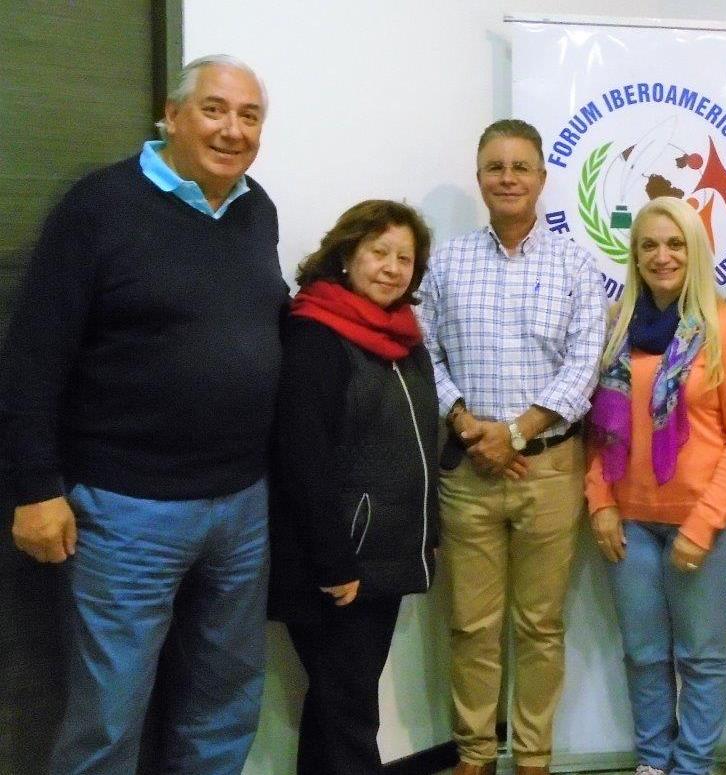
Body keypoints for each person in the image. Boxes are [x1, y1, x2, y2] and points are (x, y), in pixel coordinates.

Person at [0, 55, 284, 774]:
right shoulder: (100, 206)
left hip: (241, 507)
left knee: (226, 705)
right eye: (214, 109)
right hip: (127, 511)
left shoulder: (257, 209)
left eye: (249, 116)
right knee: (109, 717)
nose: (233, 129)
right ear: (172, 114)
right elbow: (33, 352)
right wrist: (34, 487)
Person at [419, 118, 606, 775]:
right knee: (471, 625)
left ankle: (532, 758)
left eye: (520, 166)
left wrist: (517, 432)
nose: (507, 178)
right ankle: (474, 754)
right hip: (468, 468)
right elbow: (424, 352)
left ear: (542, 178)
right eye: (494, 167)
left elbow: (584, 365)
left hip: (549, 468)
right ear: (479, 178)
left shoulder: (575, 264)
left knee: (540, 626)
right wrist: (468, 424)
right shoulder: (445, 262)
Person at [586, 196, 726, 775]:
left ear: (695, 250)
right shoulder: (616, 326)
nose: (662, 256)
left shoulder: (725, 326)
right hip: (630, 522)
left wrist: (703, 522)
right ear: (635, 256)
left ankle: (691, 766)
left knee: (700, 657)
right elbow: (599, 430)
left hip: (709, 522)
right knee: (643, 655)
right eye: (649, 245)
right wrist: (600, 502)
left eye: (675, 243)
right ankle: (652, 762)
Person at [269, 200, 439, 774]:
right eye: (378, 252)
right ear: (346, 256)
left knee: (337, 705)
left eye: (405, 259)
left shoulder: (403, 340)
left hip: (383, 556)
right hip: (338, 563)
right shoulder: (315, 334)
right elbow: (302, 459)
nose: (392, 268)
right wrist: (333, 562)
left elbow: (415, 440)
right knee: (350, 712)